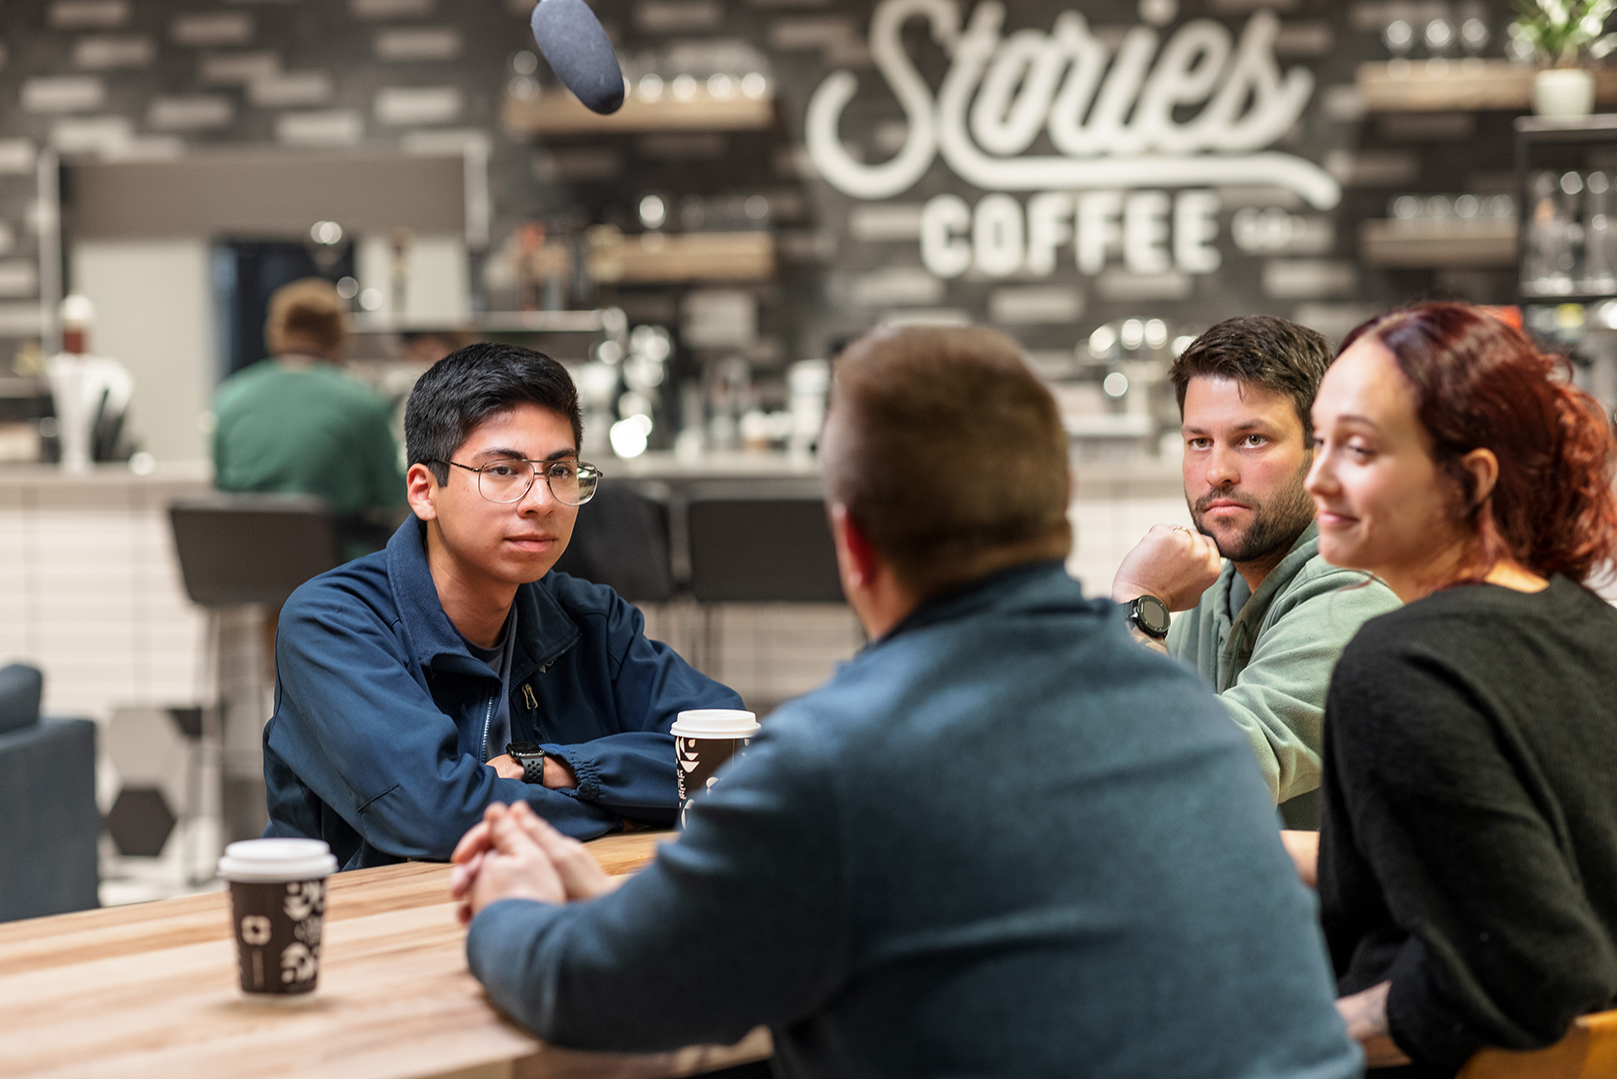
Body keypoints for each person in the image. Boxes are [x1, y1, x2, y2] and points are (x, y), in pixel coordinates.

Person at [447, 326, 1362, 1079]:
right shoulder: (1181, 718)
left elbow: (591, 989)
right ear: (1061, 511)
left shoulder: (836, 759)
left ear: (851, 541)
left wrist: (509, 904)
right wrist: (606, 911)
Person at [262, 342, 742, 870]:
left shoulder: (589, 619)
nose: (540, 500)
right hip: (369, 930)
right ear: (424, 491)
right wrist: (625, 811)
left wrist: (555, 768)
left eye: (560, 471)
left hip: (543, 921)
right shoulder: (333, 623)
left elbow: (731, 756)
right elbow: (439, 817)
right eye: (503, 471)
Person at [1298, 302, 1617, 1076]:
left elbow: (1532, 966)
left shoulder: (1400, 665)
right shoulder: (1585, 623)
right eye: (1317, 440)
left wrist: (1287, 1031)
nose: (1317, 477)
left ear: (1468, 478)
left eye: (1359, 449)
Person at [1111, 315, 1399, 827]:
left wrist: (1139, 603)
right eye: (1199, 441)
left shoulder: (1355, 595)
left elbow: (1204, 781)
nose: (1217, 471)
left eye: (1251, 440)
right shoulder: (1214, 586)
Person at [213, 277, 406, 560]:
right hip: (335, 572)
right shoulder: (362, 402)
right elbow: (392, 495)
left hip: (247, 566)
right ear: (339, 336)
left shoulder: (228, 399)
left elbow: (223, 487)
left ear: (275, 331)